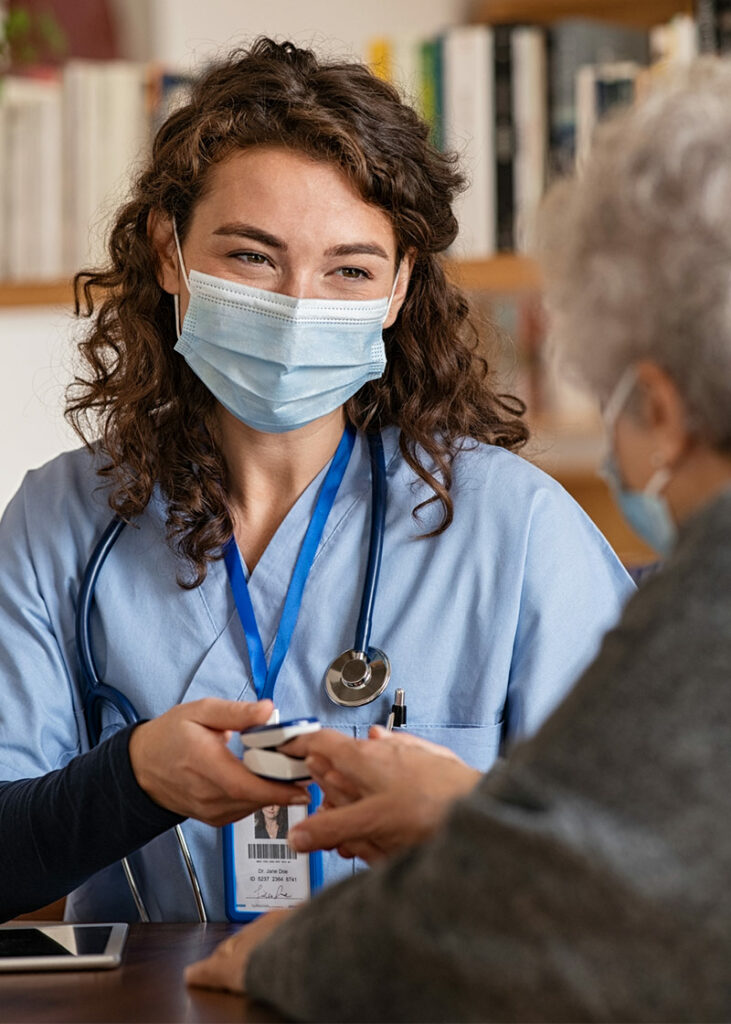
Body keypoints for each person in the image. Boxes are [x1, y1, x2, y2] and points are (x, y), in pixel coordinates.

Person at [0, 38, 631, 925]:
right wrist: (133, 775)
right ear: (169, 251)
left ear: (399, 286)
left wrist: (462, 818)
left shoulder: (514, 528)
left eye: (349, 269)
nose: (300, 305)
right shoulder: (61, 525)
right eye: (252, 258)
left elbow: (645, 861)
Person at [186, 59, 731, 1021]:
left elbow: (577, 907)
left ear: (660, 404)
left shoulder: (699, 598)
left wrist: (292, 955)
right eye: (251, 256)